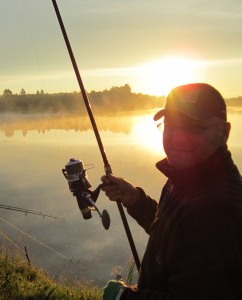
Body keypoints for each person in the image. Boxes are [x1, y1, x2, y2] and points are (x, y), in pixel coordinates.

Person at [101, 83, 242, 300]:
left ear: (223, 132)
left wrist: (123, 297)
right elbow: (179, 237)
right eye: (171, 124)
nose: (177, 138)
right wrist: (136, 200)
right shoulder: (189, 177)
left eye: (194, 126)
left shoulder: (215, 208)